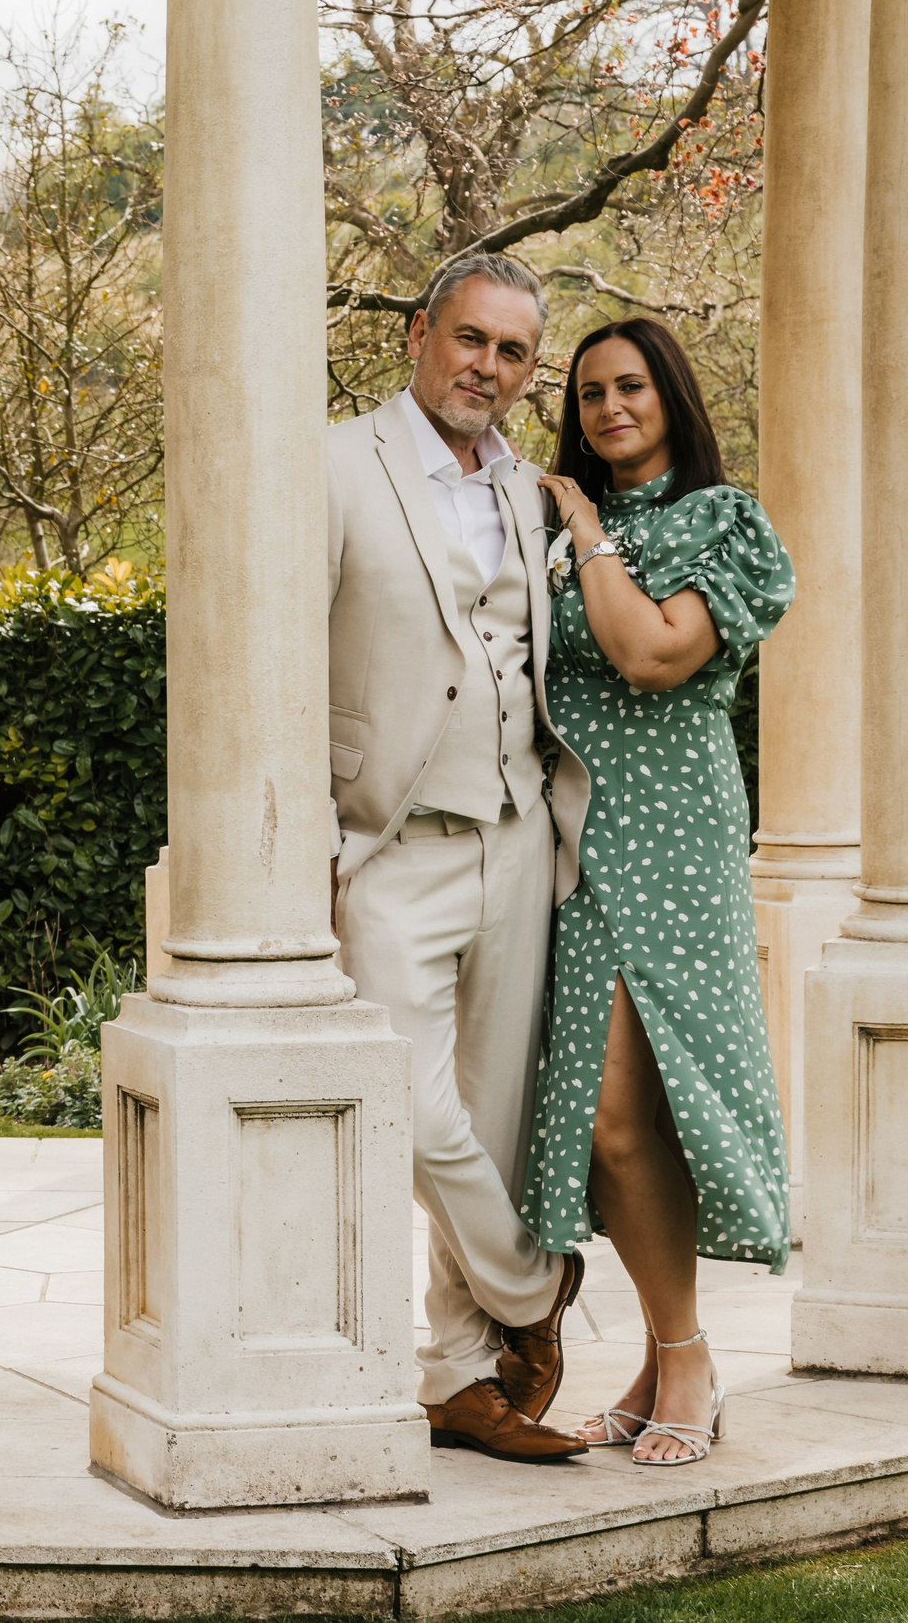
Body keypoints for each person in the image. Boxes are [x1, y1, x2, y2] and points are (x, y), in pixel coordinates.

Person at [325, 252, 594, 1463]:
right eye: (468, 338)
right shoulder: (335, 464)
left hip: (517, 835)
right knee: (411, 1108)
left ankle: (458, 1379)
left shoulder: (535, 495)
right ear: (418, 336)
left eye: (512, 351)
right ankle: (537, 1287)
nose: (486, 366)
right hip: (387, 840)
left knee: (487, 1126)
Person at [520, 317, 794, 1468]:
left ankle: (685, 1359)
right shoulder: (548, 534)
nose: (608, 408)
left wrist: (583, 528)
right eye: (588, 393)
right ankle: (658, 1356)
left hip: (670, 838)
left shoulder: (721, 521)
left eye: (629, 385)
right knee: (609, 1122)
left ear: (670, 395)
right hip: (571, 843)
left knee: (638, 1109)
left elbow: (650, 654)